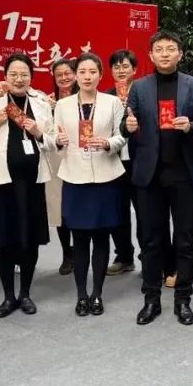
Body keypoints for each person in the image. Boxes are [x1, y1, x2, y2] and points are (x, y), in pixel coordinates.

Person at [121, 31, 193, 326]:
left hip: (183, 174)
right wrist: (127, 125)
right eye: (159, 49)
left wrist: (190, 127)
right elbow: (125, 126)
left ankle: (183, 299)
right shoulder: (140, 87)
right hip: (149, 176)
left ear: (179, 54)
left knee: (185, 239)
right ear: (150, 55)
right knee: (151, 240)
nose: (164, 54)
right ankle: (151, 299)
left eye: (170, 49)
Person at [0, 53, 54, 317]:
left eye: (24, 74)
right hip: (3, 183)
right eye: (14, 74)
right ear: (5, 77)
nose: (19, 79)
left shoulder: (41, 104)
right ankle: (8, 297)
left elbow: (53, 144)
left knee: (29, 240)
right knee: (6, 240)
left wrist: (38, 132)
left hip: (33, 183)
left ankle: (25, 294)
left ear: (31, 77)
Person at [53, 53, 127, 316]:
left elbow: (122, 136)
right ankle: (81, 295)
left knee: (101, 237)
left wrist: (108, 143)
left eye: (92, 72)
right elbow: (54, 138)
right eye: (82, 72)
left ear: (100, 75)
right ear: (75, 75)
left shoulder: (112, 102)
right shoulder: (62, 105)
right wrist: (58, 140)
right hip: (75, 177)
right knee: (80, 238)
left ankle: (97, 293)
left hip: (106, 176)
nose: (87, 77)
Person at [106, 49, 139, 276]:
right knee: (118, 210)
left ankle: (149, 257)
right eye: (116, 67)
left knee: (145, 210)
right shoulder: (106, 97)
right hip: (114, 161)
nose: (121, 70)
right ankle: (124, 256)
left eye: (125, 66)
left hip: (139, 160)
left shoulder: (143, 92)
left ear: (134, 69)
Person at [46, 58, 77, 275]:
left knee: (79, 207)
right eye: (59, 75)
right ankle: (67, 253)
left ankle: (81, 251)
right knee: (60, 209)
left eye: (67, 73)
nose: (64, 78)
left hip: (82, 158)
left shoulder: (86, 99)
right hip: (57, 160)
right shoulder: (48, 102)